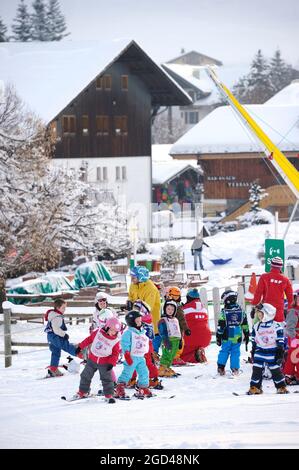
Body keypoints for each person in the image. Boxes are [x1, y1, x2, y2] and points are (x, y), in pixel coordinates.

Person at [72, 317, 122, 403]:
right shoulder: (98, 333)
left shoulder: (115, 341)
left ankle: (109, 395)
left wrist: (111, 363)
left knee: (107, 379)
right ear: (107, 327)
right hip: (92, 359)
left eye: (115, 331)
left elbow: (115, 354)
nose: (113, 333)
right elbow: (89, 339)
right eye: (112, 330)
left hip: (105, 362)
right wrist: (80, 347)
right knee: (85, 375)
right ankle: (83, 392)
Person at [248, 303, 289, 394]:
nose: (258, 316)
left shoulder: (276, 326)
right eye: (258, 314)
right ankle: (255, 387)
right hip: (260, 350)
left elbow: (280, 339)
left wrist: (280, 351)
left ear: (268, 314)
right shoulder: (256, 326)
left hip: (272, 351)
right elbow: (254, 338)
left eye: (260, 314)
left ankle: (281, 386)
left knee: (275, 370)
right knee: (256, 369)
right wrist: (253, 348)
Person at [115, 310, 153, 399]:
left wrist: (147, 353)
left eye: (140, 320)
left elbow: (145, 344)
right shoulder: (128, 333)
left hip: (141, 357)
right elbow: (125, 343)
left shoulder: (142, 332)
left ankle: (143, 388)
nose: (140, 322)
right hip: (131, 357)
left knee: (144, 372)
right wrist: (127, 354)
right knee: (127, 373)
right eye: (138, 321)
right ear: (132, 322)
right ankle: (120, 387)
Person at [126, 300, 163, 390]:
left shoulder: (145, 321)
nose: (135, 312)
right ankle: (132, 378)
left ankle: (153, 379)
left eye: (137, 309)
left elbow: (146, 335)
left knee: (147, 362)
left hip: (145, 346)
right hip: (137, 345)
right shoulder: (140, 320)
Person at [127, 265, 161, 354]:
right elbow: (131, 296)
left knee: (152, 340)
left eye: (133, 277)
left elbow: (147, 307)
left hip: (151, 321)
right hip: (137, 320)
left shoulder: (151, 288)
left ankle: (153, 355)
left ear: (141, 277)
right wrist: (129, 302)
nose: (131, 279)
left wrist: (134, 308)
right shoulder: (133, 285)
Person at [44, 298, 80, 377]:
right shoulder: (57, 317)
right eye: (63, 308)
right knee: (66, 345)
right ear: (57, 308)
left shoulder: (53, 315)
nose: (64, 310)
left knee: (56, 353)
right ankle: (79, 352)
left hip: (50, 337)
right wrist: (64, 334)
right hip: (56, 336)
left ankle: (53, 369)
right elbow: (56, 329)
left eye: (65, 308)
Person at [216, 290, 249, 376]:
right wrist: (246, 334)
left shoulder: (224, 313)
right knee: (235, 352)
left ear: (227, 300)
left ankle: (221, 366)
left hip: (227, 335)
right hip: (237, 335)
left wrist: (218, 337)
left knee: (224, 351)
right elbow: (245, 324)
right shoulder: (241, 311)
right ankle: (235, 368)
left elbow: (221, 326)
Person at [252, 256, 293, 323]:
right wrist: (290, 311)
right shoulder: (285, 280)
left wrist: (254, 305)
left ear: (271, 265)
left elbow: (258, 293)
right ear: (280, 267)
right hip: (278, 310)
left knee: (265, 330)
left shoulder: (264, 277)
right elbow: (290, 297)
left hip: (266, 310)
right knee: (278, 330)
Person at [181, 288, 212, 363]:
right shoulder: (203, 309)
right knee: (194, 345)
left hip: (190, 338)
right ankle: (199, 353)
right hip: (206, 339)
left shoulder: (184, 309)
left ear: (188, 298)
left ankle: (194, 357)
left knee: (182, 352)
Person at [164, 286, 191, 366]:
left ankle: (172, 357)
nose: (175, 298)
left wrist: (185, 329)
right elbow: (182, 319)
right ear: (169, 295)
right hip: (175, 329)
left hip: (177, 328)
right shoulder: (176, 307)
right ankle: (174, 358)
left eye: (177, 296)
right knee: (177, 344)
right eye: (173, 296)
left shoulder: (169, 305)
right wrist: (186, 329)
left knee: (175, 344)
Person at [157, 300, 182, 377]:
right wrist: (166, 340)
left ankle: (167, 368)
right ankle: (162, 369)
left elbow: (178, 330)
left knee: (172, 355)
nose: (170, 311)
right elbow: (162, 331)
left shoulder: (175, 320)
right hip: (168, 340)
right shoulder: (163, 320)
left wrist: (180, 340)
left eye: (172, 309)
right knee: (167, 354)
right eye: (168, 309)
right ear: (165, 309)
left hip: (176, 340)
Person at [283, 289, 299, 385]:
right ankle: (289, 375)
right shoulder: (294, 311)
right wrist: (293, 339)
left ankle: (292, 375)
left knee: (294, 356)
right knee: (294, 356)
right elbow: (289, 327)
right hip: (295, 337)